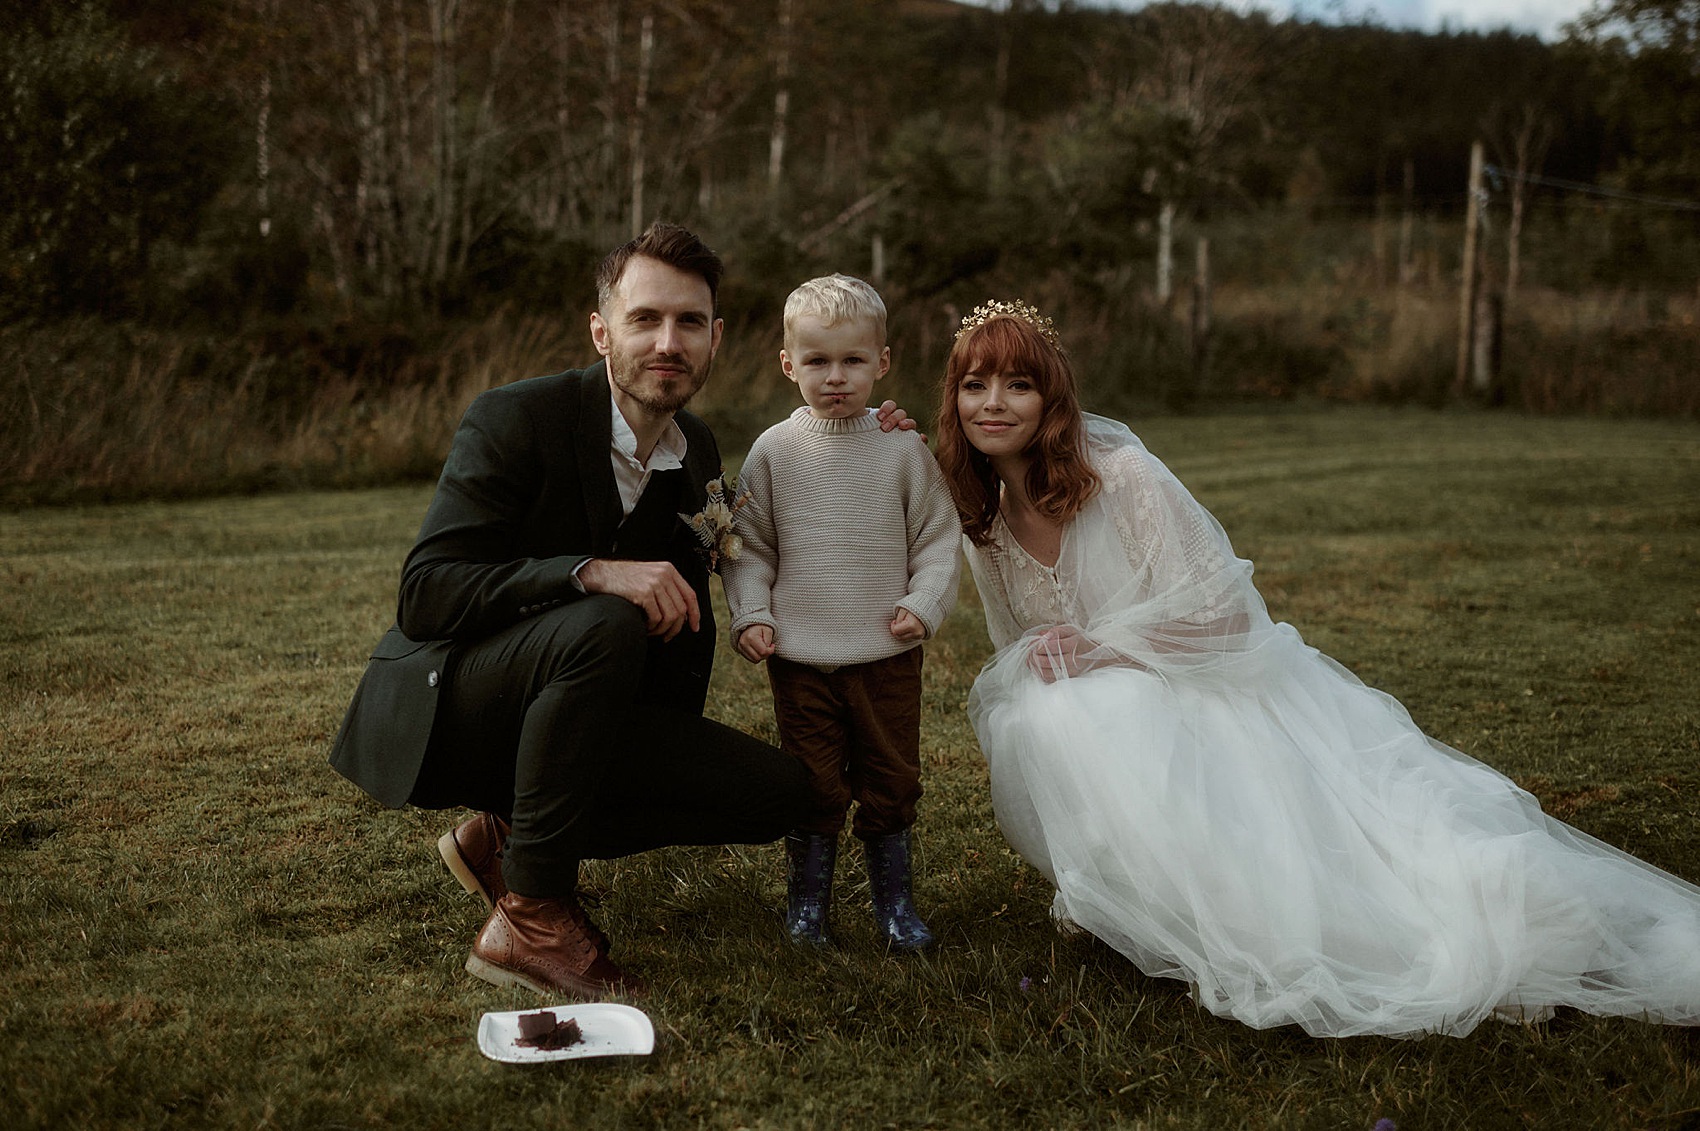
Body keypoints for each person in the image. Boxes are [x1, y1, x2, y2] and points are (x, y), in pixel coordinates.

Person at [934, 299, 1700, 1038]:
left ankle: (1288, 913)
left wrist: (1106, 651)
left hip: (1218, 691)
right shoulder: (987, 524)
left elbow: (1225, 621)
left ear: (1052, 399)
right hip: (1122, 702)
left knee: (1411, 882)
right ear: (955, 398)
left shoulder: (1124, 476)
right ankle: (1128, 890)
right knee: (1032, 704)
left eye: (1018, 383)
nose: (993, 402)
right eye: (975, 385)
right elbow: (1020, 651)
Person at [327, 223, 914, 1002]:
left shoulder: (696, 450)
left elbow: (747, 543)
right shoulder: (513, 417)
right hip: (450, 711)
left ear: (716, 339)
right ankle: (530, 916)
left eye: (690, 322)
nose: (668, 342)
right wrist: (589, 572)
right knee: (601, 619)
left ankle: (502, 839)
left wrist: (869, 440)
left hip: (570, 714)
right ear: (602, 330)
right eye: (645, 319)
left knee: (784, 792)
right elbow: (427, 591)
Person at [723, 274, 961, 949]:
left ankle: (894, 905)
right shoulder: (772, 451)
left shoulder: (901, 450)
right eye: (818, 361)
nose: (836, 377)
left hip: (886, 653)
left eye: (854, 361)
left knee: (891, 780)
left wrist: (923, 603)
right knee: (813, 783)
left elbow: (937, 539)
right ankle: (808, 907)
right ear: (787, 363)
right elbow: (745, 546)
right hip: (801, 657)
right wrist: (753, 612)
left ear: (882, 363)